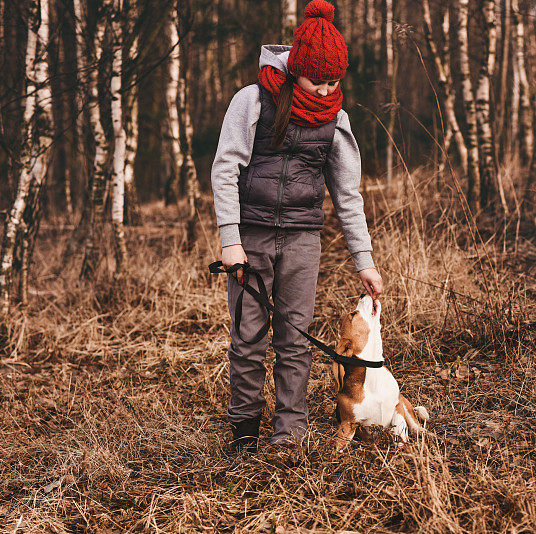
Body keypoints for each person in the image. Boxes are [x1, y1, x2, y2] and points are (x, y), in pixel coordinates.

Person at [210, 0, 382, 454]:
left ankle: (289, 435)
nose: (326, 91)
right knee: (248, 338)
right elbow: (225, 167)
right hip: (252, 238)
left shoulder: (337, 121)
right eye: (316, 80)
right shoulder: (252, 100)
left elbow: (348, 195)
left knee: (294, 342)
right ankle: (244, 431)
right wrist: (231, 240)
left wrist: (363, 260)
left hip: (303, 242)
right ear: (294, 69)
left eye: (333, 81)